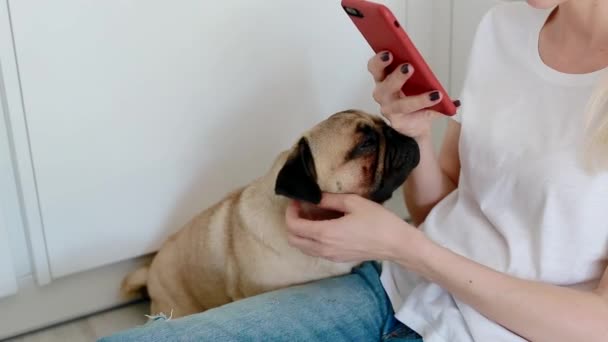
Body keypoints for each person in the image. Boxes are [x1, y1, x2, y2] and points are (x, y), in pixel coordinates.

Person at [100, 0, 608, 341]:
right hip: (393, 289)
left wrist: (403, 245)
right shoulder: (505, 26)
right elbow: (442, 205)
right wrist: (414, 137)